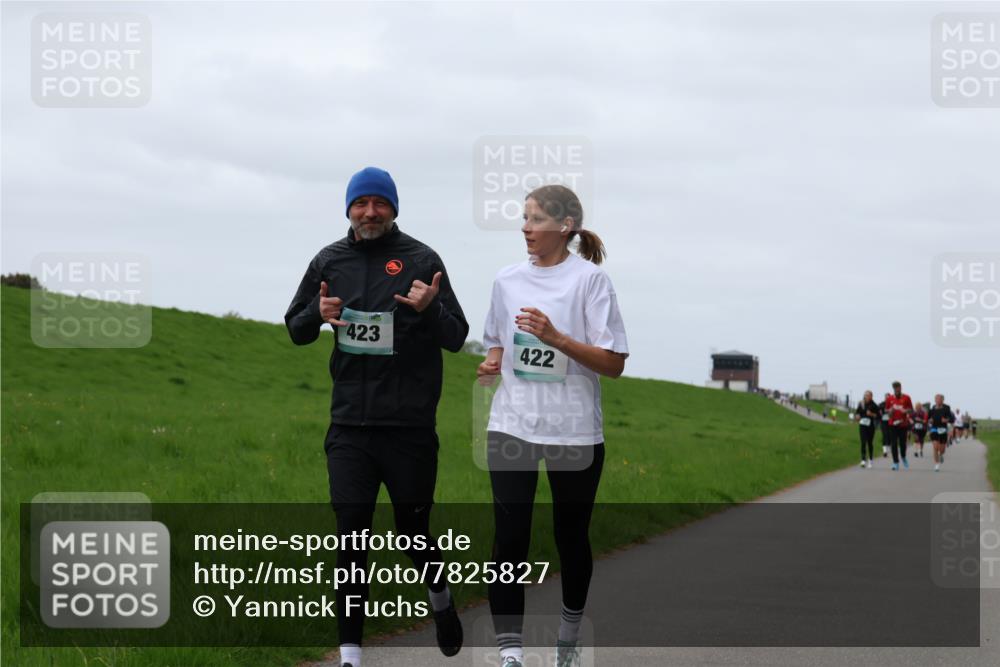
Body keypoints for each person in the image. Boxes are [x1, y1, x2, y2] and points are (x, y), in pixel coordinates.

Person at [285, 167, 469, 667]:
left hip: (409, 429)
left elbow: (456, 336)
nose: (370, 212)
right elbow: (296, 328)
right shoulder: (328, 261)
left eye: (379, 203)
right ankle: (350, 655)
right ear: (349, 209)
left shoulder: (422, 260)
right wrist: (316, 314)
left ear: (393, 209)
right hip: (349, 428)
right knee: (351, 537)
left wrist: (430, 308)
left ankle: (440, 598)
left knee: (412, 533)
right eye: (361, 203)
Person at [477, 184, 629, 667]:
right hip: (512, 424)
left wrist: (557, 338)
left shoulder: (590, 282)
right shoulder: (506, 280)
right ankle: (511, 655)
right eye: (524, 218)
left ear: (565, 227)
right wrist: (492, 361)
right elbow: (496, 338)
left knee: (570, 537)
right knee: (509, 537)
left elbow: (613, 363)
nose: (525, 227)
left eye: (536, 219)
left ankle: (567, 636)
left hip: (573, 430)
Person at [885, 381, 913, 471]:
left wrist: (906, 411)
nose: (896, 389)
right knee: (893, 444)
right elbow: (886, 410)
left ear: (901, 388)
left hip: (903, 424)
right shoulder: (890, 398)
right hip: (892, 424)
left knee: (902, 444)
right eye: (895, 387)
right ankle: (895, 462)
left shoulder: (906, 397)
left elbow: (911, 410)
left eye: (898, 387)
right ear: (893, 389)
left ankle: (903, 457)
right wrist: (890, 411)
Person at [927, 395, 955, 472]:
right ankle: (936, 464)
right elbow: (927, 419)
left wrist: (946, 420)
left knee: (942, 450)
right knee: (935, 447)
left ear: (943, 400)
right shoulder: (932, 410)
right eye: (937, 399)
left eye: (940, 399)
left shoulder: (946, 409)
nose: (938, 400)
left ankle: (941, 454)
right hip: (934, 429)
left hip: (943, 429)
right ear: (935, 400)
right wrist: (930, 420)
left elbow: (952, 419)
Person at [855, 391, 879, 469]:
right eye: (865, 395)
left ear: (871, 397)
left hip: (870, 426)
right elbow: (857, 413)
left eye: (868, 395)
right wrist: (857, 416)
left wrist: (871, 414)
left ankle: (870, 460)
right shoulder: (861, 404)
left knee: (869, 443)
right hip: (862, 425)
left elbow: (878, 416)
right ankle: (863, 460)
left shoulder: (874, 405)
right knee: (863, 442)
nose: (866, 397)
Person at [878, 393, 892, 457]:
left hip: (890, 422)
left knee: (889, 435)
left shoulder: (892, 404)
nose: (887, 398)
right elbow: (878, 411)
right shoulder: (881, 404)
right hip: (883, 422)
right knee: (884, 435)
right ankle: (884, 451)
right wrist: (880, 412)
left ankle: (889, 449)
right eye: (886, 397)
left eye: (888, 397)